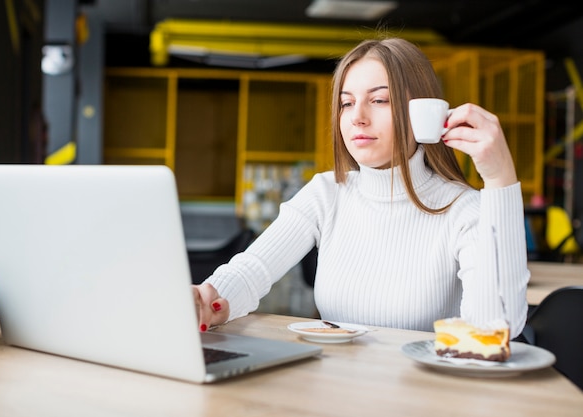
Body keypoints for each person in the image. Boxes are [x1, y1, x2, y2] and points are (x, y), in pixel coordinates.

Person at [192, 37, 530, 337]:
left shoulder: (463, 209)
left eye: (379, 100)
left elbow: (495, 329)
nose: (357, 117)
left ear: (422, 112)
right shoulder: (326, 193)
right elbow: (252, 270)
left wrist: (501, 180)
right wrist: (207, 300)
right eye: (346, 102)